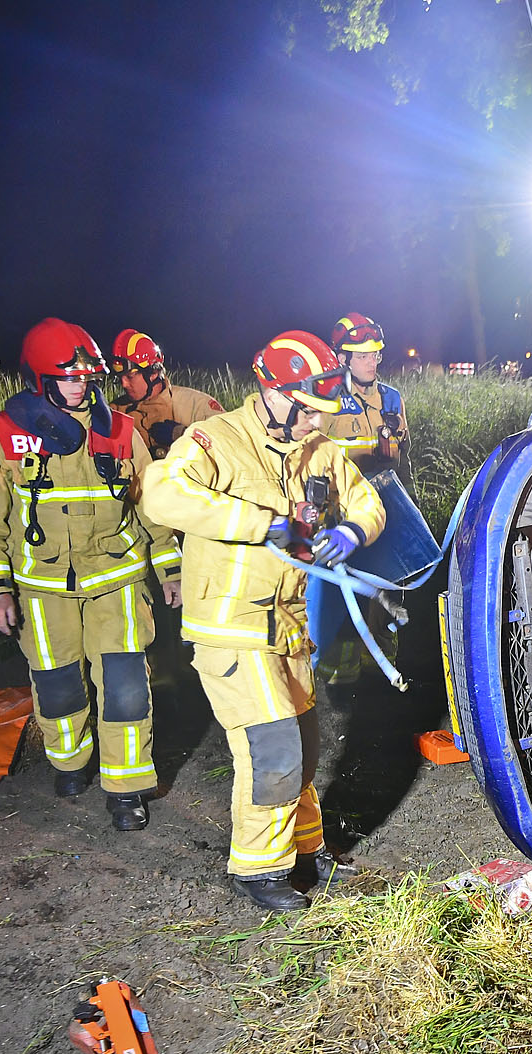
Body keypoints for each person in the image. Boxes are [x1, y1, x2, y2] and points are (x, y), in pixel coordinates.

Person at [141, 330, 387, 912]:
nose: (315, 423)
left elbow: (368, 503)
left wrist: (352, 531)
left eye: (321, 412)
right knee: (273, 744)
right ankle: (258, 869)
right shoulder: (217, 439)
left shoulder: (317, 446)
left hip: (289, 624)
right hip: (229, 624)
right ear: (273, 392)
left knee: (303, 742)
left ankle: (307, 850)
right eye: (307, 410)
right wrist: (262, 524)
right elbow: (161, 494)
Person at [0, 318, 180, 831]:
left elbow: (152, 506)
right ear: (40, 379)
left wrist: (170, 568)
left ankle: (127, 788)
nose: (80, 386)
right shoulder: (3, 435)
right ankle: (70, 763)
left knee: (127, 688)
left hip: (118, 580)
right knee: (58, 686)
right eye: (68, 377)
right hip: (41, 589)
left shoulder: (121, 431)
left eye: (86, 376)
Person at [108, 329, 224, 457]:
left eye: (130, 376)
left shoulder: (196, 405)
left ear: (153, 373)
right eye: (120, 377)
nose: (124, 384)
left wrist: (183, 434)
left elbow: (230, 444)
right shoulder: (115, 412)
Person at [325, 312, 409, 478]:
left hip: (388, 492)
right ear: (343, 359)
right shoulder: (328, 402)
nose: (372, 363)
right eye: (363, 356)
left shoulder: (392, 399)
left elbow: (404, 461)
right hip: (344, 493)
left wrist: (409, 492)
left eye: (375, 355)